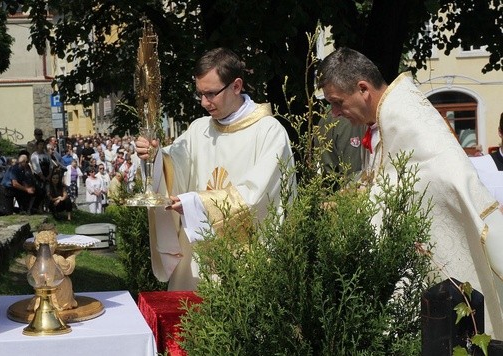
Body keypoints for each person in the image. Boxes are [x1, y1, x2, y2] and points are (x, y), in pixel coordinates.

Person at [317, 47, 503, 338]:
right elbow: (389, 178)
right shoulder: (389, 116)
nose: (335, 113)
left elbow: (436, 179)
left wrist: (362, 206)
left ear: (363, 89)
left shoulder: (405, 119)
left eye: (337, 102)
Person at [135, 47, 295, 291]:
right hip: (195, 263)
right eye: (199, 94)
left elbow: (259, 196)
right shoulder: (199, 129)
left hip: (246, 262)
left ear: (237, 86)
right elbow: (173, 167)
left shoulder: (269, 132)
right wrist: (154, 157)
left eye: (210, 94)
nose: (204, 103)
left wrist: (196, 204)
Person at [316, 114, 365, 190]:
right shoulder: (349, 121)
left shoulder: (324, 119)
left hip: (330, 190)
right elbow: (353, 174)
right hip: (346, 193)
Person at [0, 154, 35, 219]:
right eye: (26, 162)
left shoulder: (22, 170)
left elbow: (23, 181)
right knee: (7, 212)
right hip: (6, 189)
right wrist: (26, 189)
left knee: (25, 199)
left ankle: (24, 209)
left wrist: (28, 188)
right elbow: (15, 183)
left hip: (15, 189)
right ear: (23, 162)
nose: (27, 164)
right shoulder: (14, 169)